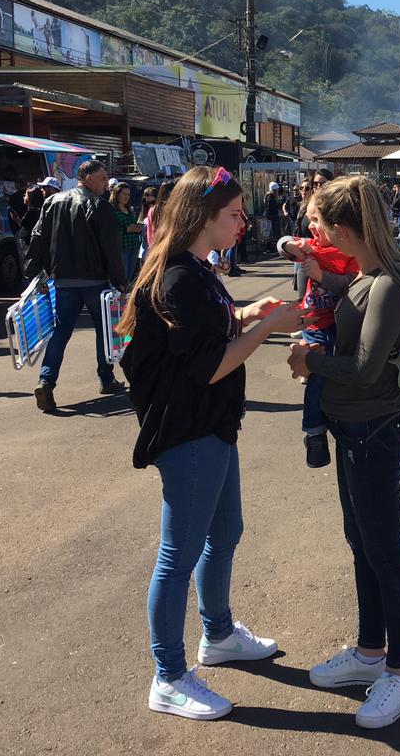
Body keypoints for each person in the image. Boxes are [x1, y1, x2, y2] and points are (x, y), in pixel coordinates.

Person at [117, 165, 306, 722]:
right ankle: (169, 675)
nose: (243, 223)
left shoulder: (194, 269)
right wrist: (267, 329)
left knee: (224, 532)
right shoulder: (178, 276)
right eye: (234, 214)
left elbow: (212, 328)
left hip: (211, 426)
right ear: (203, 218)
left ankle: (218, 635)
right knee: (177, 555)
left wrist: (250, 313)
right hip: (189, 429)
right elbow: (211, 365)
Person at [286, 175, 400, 730]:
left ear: (345, 229)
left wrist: (309, 363)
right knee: (361, 541)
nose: (316, 233)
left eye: (323, 225)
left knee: (384, 549)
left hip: (373, 428)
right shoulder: (368, 276)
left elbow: (367, 368)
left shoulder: (389, 282)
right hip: (354, 427)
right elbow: (353, 310)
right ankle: (370, 653)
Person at [25, 159, 127, 412]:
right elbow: (111, 248)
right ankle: (105, 377)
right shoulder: (99, 206)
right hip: (95, 281)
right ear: (88, 178)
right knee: (105, 330)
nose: (106, 183)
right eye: (103, 178)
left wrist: (33, 272)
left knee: (60, 331)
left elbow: (38, 237)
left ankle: (46, 380)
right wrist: (121, 281)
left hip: (63, 280)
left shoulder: (53, 201)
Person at [278, 193, 360, 468]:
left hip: (339, 324)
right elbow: (282, 244)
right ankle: (314, 433)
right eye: (309, 219)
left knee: (333, 374)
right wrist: (292, 245)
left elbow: (353, 284)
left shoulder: (348, 252)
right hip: (314, 323)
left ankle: (335, 423)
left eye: (316, 220)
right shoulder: (312, 245)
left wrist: (321, 276)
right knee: (316, 374)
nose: (310, 226)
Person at [111, 182, 143, 284]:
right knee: (122, 277)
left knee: (129, 278)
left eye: (128, 194)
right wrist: (126, 229)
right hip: (122, 248)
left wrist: (138, 227)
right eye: (124, 194)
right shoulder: (111, 210)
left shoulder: (129, 209)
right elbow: (111, 230)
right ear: (117, 194)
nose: (127, 197)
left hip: (134, 247)